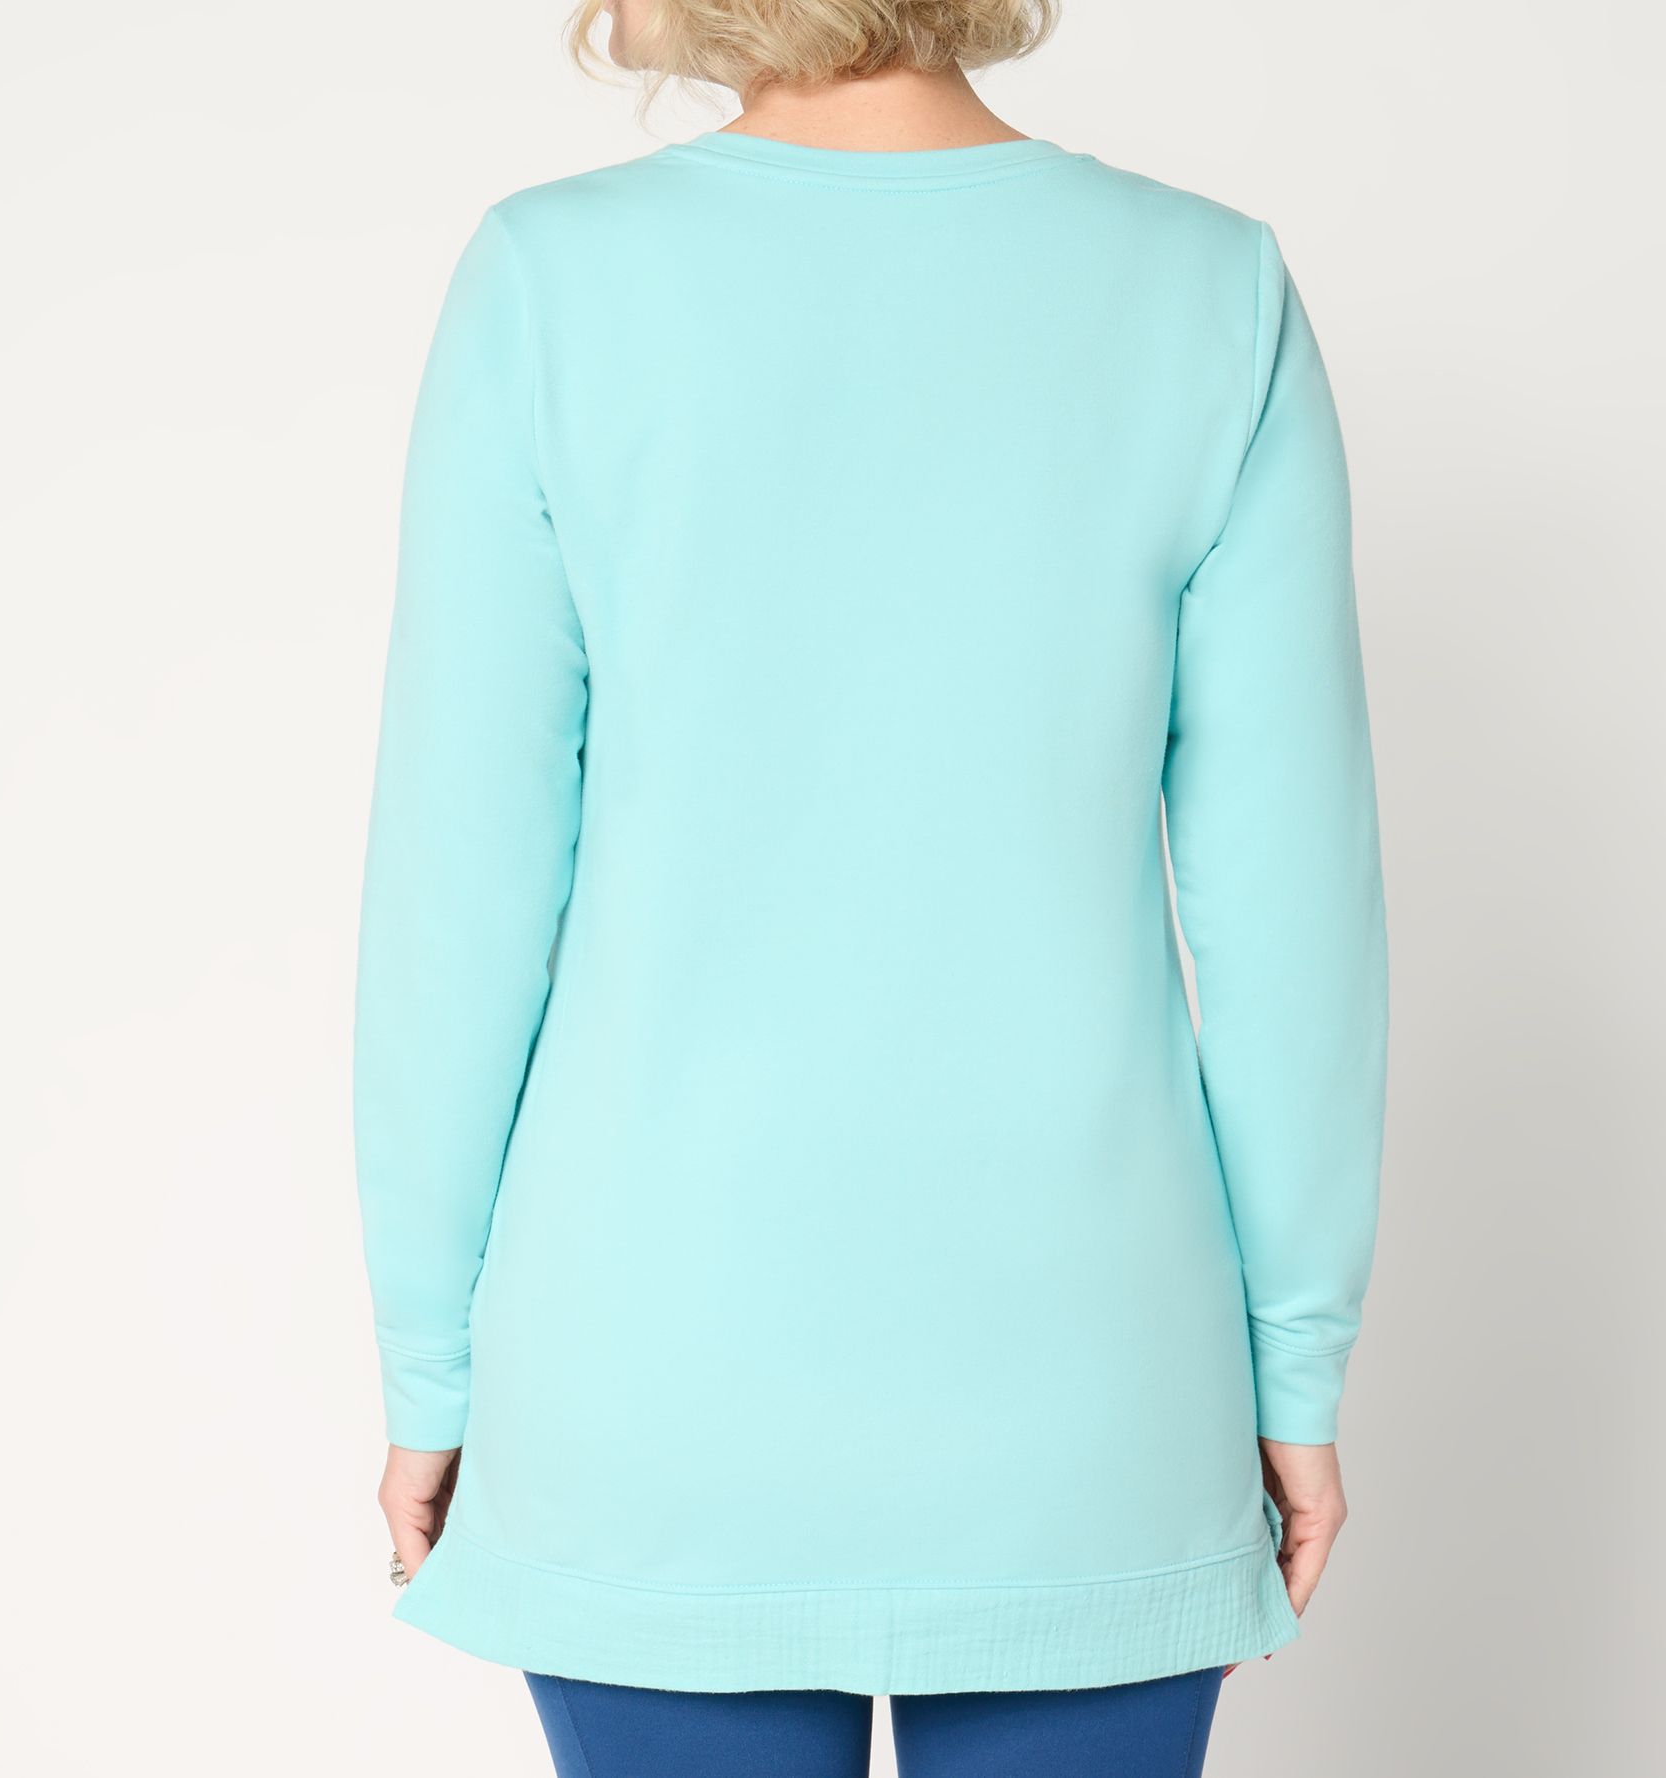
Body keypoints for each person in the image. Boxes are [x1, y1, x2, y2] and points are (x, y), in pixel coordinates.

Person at [353, 2, 1389, 1772]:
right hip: (1094, 1401)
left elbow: (459, 897)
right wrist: (1293, 1365)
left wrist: (432, 1370)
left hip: (648, 1396)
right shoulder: (1210, 291)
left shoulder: (549, 285)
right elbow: (1295, 922)